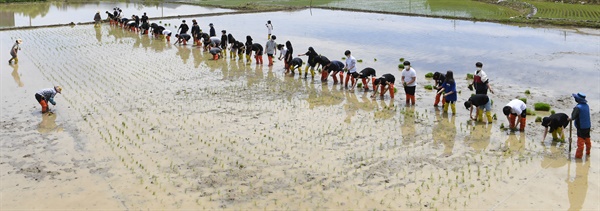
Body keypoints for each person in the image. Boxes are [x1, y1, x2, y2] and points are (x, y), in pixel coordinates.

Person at [571, 93, 591, 159]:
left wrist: (569, 119)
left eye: (575, 98)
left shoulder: (578, 107)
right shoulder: (586, 105)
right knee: (587, 139)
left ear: (577, 99)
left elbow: (573, 117)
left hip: (581, 127)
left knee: (580, 143)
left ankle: (578, 157)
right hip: (588, 126)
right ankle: (588, 153)